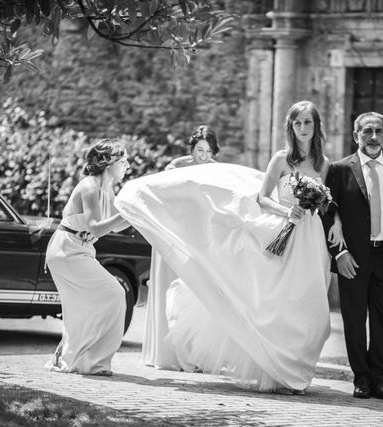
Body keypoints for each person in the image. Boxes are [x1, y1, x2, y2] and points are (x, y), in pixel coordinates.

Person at [116, 100, 337, 394]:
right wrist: (288, 212)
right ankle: (278, 373)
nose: (303, 129)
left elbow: (332, 205)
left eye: (308, 122)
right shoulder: (281, 159)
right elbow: (263, 198)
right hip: (284, 231)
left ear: (316, 125)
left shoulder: (324, 164)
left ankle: (297, 369)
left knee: (307, 304)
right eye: (298, 123)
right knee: (277, 304)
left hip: (311, 242)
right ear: (291, 127)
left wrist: (333, 221)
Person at [323, 112, 383, 400]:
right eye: (367, 131)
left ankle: (378, 377)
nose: (373, 137)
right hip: (353, 258)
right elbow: (327, 214)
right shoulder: (340, 170)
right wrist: (340, 254)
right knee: (353, 319)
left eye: (378, 131)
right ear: (356, 136)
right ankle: (361, 377)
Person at [45, 139, 131, 376]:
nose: (127, 165)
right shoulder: (90, 186)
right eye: (123, 160)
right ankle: (93, 362)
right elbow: (96, 228)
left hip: (80, 251)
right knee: (115, 293)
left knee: (86, 307)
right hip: (67, 251)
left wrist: (136, 214)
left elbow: (114, 226)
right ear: (109, 162)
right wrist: (127, 212)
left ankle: (74, 356)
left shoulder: (108, 189)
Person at [142, 125, 220, 370]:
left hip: (198, 240)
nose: (204, 155)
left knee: (194, 295)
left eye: (208, 150)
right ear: (192, 148)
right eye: (199, 150)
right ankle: (167, 354)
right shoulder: (176, 167)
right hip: (172, 235)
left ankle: (194, 354)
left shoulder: (217, 171)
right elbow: (160, 199)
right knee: (168, 290)